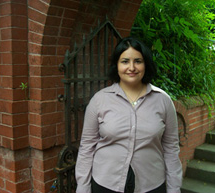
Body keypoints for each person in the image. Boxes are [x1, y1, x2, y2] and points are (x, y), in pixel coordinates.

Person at [75, 36, 182, 193]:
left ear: (146, 64)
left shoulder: (163, 101)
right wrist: (83, 187)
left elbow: (171, 147)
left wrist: (174, 189)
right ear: (116, 66)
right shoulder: (99, 100)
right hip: (106, 183)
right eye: (125, 61)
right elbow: (87, 147)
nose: (131, 67)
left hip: (151, 184)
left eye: (138, 61)